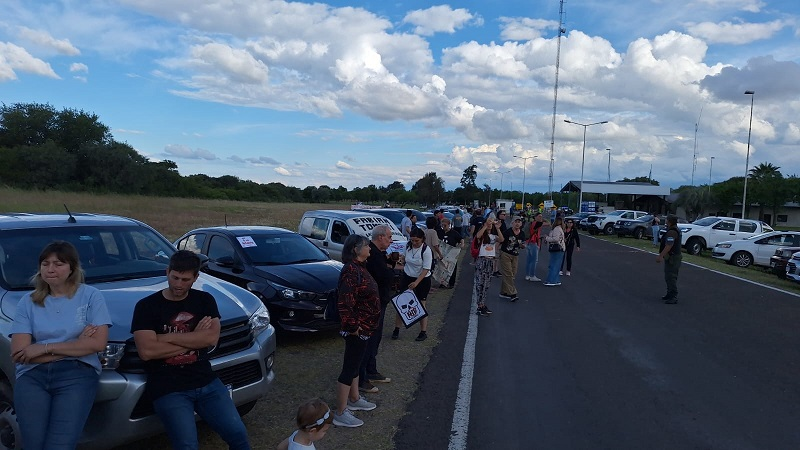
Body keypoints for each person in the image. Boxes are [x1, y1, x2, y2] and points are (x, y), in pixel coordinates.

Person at [131, 250, 251, 449]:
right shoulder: (146, 306)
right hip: (168, 387)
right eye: (175, 277)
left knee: (238, 434)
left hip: (206, 380)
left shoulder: (204, 300)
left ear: (196, 277)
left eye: (185, 279)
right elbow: (147, 352)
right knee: (187, 445)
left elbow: (211, 338)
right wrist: (194, 337)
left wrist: (165, 337)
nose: (178, 284)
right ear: (167, 271)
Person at [10, 241, 112, 450]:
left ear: (72, 268)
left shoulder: (91, 296)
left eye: (58, 264)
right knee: (33, 444)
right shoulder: (27, 302)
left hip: (76, 375)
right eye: (45, 264)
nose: (50, 269)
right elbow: (20, 354)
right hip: (32, 376)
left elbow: (98, 343)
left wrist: (43, 348)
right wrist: (77, 345)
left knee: (60, 445)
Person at [333, 235, 381, 428]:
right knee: (349, 367)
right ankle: (341, 411)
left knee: (356, 364)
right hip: (357, 329)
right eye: (366, 246)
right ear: (355, 249)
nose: (370, 248)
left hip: (365, 327)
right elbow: (345, 302)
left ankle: (354, 398)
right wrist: (353, 327)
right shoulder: (351, 270)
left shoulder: (360, 267)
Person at [358, 225, 396, 394]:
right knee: (370, 339)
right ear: (380, 237)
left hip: (380, 300)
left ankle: (371, 370)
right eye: (389, 237)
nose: (391, 240)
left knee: (376, 337)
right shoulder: (372, 255)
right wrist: (394, 273)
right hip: (373, 303)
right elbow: (383, 275)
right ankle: (363, 376)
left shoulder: (378, 254)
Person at [392, 227, 433, 341]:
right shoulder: (408, 246)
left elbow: (426, 269)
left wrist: (416, 282)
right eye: (412, 240)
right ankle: (396, 329)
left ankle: (423, 331)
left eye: (417, 241)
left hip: (422, 279)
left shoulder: (426, 250)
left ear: (422, 239)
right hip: (407, 276)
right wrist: (401, 260)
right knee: (401, 303)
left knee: (421, 304)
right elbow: (404, 258)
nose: (414, 243)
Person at [473, 213, 504, 315]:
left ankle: (482, 304)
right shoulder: (482, 235)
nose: (490, 223)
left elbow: (502, 239)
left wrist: (498, 228)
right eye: (489, 221)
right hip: (482, 260)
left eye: (492, 221)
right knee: (480, 284)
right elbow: (477, 236)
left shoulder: (494, 236)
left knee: (486, 284)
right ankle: (479, 305)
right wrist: (485, 226)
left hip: (490, 261)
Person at [656, 215, 682, 304]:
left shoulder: (672, 232)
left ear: (670, 221)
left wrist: (660, 256)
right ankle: (669, 293)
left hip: (673, 257)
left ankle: (673, 296)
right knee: (668, 276)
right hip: (672, 256)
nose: (665, 221)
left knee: (671, 276)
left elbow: (669, 245)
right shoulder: (673, 230)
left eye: (667, 220)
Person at [499, 216, 526, 302]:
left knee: (512, 273)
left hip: (515, 255)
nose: (517, 223)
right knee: (508, 273)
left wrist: (522, 246)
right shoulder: (507, 232)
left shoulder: (522, 233)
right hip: (506, 254)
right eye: (516, 222)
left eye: (519, 222)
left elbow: (523, 244)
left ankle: (504, 292)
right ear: (512, 223)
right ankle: (512, 293)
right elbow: (500, 241)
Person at [440, 217, 463, 289]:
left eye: (445, 225)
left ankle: (451, 283)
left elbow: (461, 239)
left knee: (452, 268)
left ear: (449, 225)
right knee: (442, 268)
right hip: (442, 253)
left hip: (451, 253)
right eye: (442, 225)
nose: (443, 227)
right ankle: (443, 282)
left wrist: (461, 244)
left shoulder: (454, 233)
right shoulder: (440, 232)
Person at [543, 217, 566, 286]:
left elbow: (555, 239)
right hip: (560, 248)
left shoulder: (556, 229)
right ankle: (556, 280)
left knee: (553, 265)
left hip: (556, 248)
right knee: (557, 265)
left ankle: (551, 280)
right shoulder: (560, 229)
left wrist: (547, 238)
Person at [525, 212, 544, 282]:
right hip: (533, 242)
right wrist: (543, 219)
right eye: (539, 216)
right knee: (534, 260)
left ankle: (527, 275)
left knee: (529, 260)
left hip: (528, 241)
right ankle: (532, 275)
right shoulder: (537, 223)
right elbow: (548, 223)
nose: (540, 218)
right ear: (535, 217)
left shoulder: (531, 223)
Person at [492, 210, 509, 276]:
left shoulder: (503, 222)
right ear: (499, 215)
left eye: (505, 214)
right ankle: (494, 270)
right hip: (497, 241)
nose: (505, 216)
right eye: (503, 214)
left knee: (498, 257)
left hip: (502, 242)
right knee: (495, 257)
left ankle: (496, 270)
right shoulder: (497, 223)